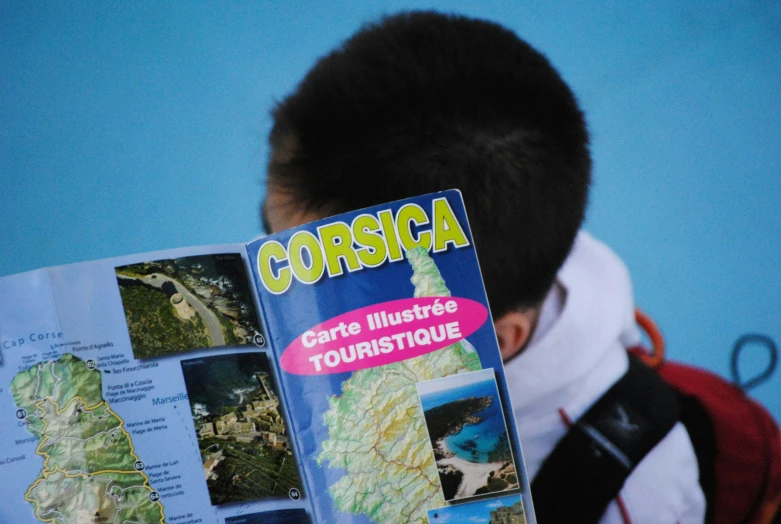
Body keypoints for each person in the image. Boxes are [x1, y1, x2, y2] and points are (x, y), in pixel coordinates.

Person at [261, 11, 705, 523]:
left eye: (337, 302)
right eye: (278, 254)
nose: (284, 308)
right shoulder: (502, 242)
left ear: (496, 340)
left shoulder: (633, 493)